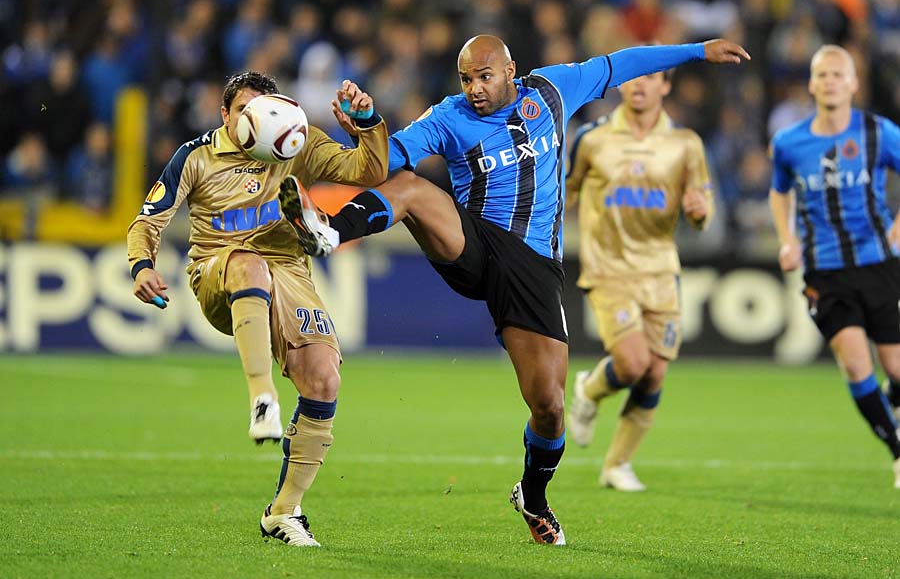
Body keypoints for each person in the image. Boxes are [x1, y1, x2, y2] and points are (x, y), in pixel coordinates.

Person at [280, 35, 749, 544]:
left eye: (484, 77)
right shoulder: (449, 116)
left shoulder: (552, 90)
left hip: (534, 267)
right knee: (412, 189)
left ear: (510, 70)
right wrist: (369, 126)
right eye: (466, 79)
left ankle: (533, 494)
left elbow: (623, 63)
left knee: (549, 406)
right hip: (475, 244)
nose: (475, 89)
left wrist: (698, 51)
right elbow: (384, 161)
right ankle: (329, 230)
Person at [127, 71, 389, 546]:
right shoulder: (196, 156)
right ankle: (262, 396)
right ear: (225, 115)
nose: (262, 121)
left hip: (288, 269)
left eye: (268, 110)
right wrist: (141, 264)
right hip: (219, 270)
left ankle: (284, 512)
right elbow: (149, 220)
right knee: (249, 263)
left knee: (323, 377)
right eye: (247, 112)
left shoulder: (296, 141)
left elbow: (368, 172)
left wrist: (367, 123)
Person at [565, 68, 713, 492]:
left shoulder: (685, 143)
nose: (640, 84)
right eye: (633, 76)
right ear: (622, 84)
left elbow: (702, 211)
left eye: (651, 77)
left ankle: (617, 465)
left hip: (661, 269)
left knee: (654, 374)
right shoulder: (592, 138)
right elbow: (566, 192)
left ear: (665, 85)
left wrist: (699, 212)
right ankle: (589, 390)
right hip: (609, 267)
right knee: (632, 363)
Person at [769, 44, 900, 489]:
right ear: (811, 83)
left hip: (879, 263)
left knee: (895, 367)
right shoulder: (789, 142)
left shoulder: (878, 132)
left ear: (853, 83)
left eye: (838, 74)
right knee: (856, 364)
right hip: (824, 271)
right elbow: (779, 191)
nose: (830, 82)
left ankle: (893, 397)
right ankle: (898, 450)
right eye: (822, 74)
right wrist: (788, 239)